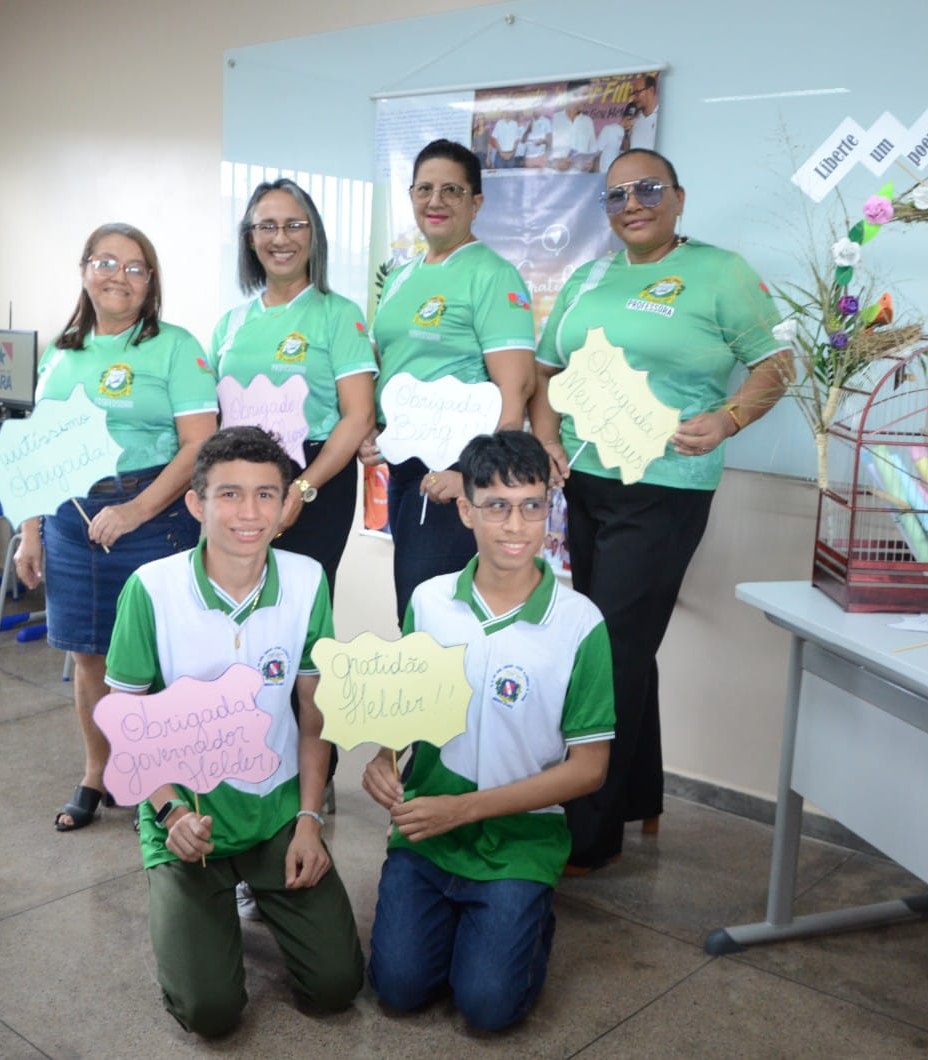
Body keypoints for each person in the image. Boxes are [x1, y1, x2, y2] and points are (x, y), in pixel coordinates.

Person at [529, 150, 792, 873]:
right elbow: (547, 370)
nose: (631, 203)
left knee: (609, 651)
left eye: (647, 189)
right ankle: (639, 790)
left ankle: (590, 833)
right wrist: (547, 437)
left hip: (667, 483)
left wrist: (730, 419)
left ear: (678, 198)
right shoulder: (588, 278)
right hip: (586, 481)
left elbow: (777, 361)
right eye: (615, 195)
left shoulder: (721, 272)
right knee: (614, 642)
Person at [107, 426, 364, 1036]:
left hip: (274, 811)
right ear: (197, 503)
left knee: (336, 987)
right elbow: (125, 728)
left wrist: (309, 821)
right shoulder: (151, 589)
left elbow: (313, 714)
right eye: (229, 495)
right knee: (211, 1013)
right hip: (187, 817)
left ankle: (254, 886)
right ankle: (199, 907)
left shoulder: (306, 581)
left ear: (285, 505)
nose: (248, 513)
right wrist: (170, 814)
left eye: (265, 495)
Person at [362, 431, 613, 1031]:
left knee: (488, 1009)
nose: (517, 526)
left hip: (519, 840)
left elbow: (589, 769)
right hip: (427, 832)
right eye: (497, 506)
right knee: (398, 989)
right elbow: (409, 702)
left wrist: (463, 810)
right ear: (466, 510)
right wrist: (383, 754)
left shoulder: (580, 623)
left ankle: (520, 913)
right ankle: (462, 921)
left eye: (532, 505)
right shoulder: (428, 601)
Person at [14, 222, 218, 833]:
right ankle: (98, 772)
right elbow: (38, 446)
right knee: (89, 657)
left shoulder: (177, 348)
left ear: (150, 281)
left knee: (156, 658)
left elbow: (198, 447)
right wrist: (30, 532)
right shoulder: (62, 351)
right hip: (71, 519)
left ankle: (159, 782)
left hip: (151, 514)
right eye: (106, 262)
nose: (118, 276)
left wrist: (135, 511)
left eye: (134, 267)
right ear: (84, 271)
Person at [360, 139, 536, 622]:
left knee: (442, 625)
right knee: (415, 611)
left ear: (475, 203)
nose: (435, 201)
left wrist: (471, 479)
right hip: (406, 474)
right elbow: (388, 368)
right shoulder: (401, 276)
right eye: (424, 189)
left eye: (452, 191)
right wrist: (373, 432)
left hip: (456, 478)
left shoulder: (493, 276)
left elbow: (515, 392)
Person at [211, 178, 376, 601]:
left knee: (301, 608)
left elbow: (358, 416)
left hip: (316, 477)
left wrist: (301, 489)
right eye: (266, 227)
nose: (280, 239)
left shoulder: (338, 314)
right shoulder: (230, 323)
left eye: (294, 225)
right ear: (250, 239)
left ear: (313, 235)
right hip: (238, 479)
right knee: (237, 602)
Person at [620, 74, 660, 152]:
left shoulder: (664, 116)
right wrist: (626, 134)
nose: (634, 97)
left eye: (638, 92)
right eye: (633, 94)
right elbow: (625, 152)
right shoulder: (634, 119)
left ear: (651, 90)